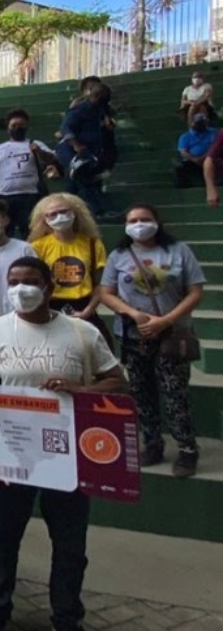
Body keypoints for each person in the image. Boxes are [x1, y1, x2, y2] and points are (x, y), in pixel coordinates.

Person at [0, 256, 125, 631]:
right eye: (14, 281)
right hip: (12, 454)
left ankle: (67, 618)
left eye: (30, 281)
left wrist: (80, 389)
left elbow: (117, 381)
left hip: (68, 457)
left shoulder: (82, 331)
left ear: (49, 287)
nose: (21, 289)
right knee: (3, 538)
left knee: (70, 544)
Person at [99, 204, 204, 476]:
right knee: (141, 393)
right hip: (133, 337)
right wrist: (134, 314)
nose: (139, 224)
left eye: (144, 219)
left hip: (172, 335)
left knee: (174, 395)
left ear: (157, 222)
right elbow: (106, 292)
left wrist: (165, 321)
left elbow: (195, 291)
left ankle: (187, 449)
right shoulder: (118, 255)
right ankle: (152, 443)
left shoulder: (178, 251)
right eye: (133, 220)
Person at [29, 195, 107, 320]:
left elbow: (101, 284)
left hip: (84, 306)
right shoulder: (37, 246)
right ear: (44, 219)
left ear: (74, 213)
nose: (59, 217)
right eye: (52, 214)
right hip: (50, 306)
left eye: (63, 211)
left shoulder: (93, 244)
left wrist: (88, 310)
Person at [0, 110, 59, 237]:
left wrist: (39, 152)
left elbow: (51, 159)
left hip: (30, 195)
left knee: (32, 231)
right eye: (14, 125)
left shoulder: (35, 143)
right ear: (8, 128)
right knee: (5, 232)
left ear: (26, 127)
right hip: (5, 195)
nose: (17, 128)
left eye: (21, 125)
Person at [54, 84, 111, 217]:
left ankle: (61, 209)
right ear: (96, 96)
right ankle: (98, 211)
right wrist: (76, 145)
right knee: (82, 176)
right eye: (103, 98)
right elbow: (65, 128)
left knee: (73, 183)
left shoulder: (99, 109)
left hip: (88, 151)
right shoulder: (80, 109)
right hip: (71, 149)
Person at [174, 112, 217, 187]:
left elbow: (215, 146)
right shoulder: (185, 136)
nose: (201, 125)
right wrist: (194, 159)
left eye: (203, 123)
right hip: (193, 161)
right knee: (179, 169)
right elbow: (183, 152)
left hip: (210, 158)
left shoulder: (213, 133)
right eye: (199, 123)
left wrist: (205, 157)